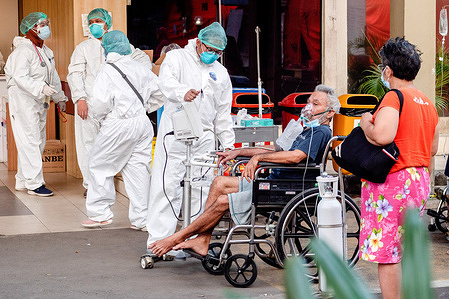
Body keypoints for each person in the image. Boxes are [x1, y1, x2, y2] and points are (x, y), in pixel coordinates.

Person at [149, 84, 340, 257]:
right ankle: (202, 238)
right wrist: (238, 152)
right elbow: (275, 150)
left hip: (286, 187)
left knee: (223, 201)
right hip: (274, 181)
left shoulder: (321, 132)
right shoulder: (304, 129)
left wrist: (258, 159)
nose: (308, 108)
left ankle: (176, 238)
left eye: (315, 104)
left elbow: (295, 157)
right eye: (308, 103)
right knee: (219, 183)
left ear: (330, 113)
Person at [358, 37, 439, 299]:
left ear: (389, 70)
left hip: (394, 183)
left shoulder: (394, 97)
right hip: (419, 180)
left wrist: (365, 123)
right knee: (403, 248)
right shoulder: (427, 102)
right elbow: (433, 148)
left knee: (388, 251)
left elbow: (382, 135)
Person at [146, 22, 235, 251]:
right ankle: (158, 240)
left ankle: (190, 240)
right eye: (209, 50)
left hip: (204, 137)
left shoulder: (221, 73)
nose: (212, 55)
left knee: (202, 188)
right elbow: (165, 83)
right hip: (175, 134)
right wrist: (181, 93)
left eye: (217, 52)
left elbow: (223, 114)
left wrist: (229, 145)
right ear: (198, 42)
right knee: (166, 186)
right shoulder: (177, 59)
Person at [81, 31, 163, 229]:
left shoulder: (107, 70)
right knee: (138, 169)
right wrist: (143, 109)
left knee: (99, 165)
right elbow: (160, 94)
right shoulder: (140, 67)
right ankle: (142, 219)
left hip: (118, 123)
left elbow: (100, 104)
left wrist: (104, 119)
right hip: (142, 124)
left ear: (106, 48)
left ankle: (100, 213)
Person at [67, 8, 152, 197]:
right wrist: (80, 99)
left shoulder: (122, 46)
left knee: (109, 146)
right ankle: (91, 186)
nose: (94, 25)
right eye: (91, 22)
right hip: (88, 105)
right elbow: (75, 74)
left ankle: (106, 184)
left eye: (98, 20)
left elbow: (143, 62)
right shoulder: (83, 48)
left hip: (114, 108)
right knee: (88, 145)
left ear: (107, 22)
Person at [4, 12, 68, 196]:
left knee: (35, 142)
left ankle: (23, 180)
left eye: (46, 23)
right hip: (24, 101)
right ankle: (34, 184)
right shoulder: (23, 51)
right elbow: (20, 77)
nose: (45, 27)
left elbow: (53, 76)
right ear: (30, 28)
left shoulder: (46, 51)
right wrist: (40, 88)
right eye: (41, 24)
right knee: (31, 141)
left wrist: (60, 97)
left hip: (38, 102)